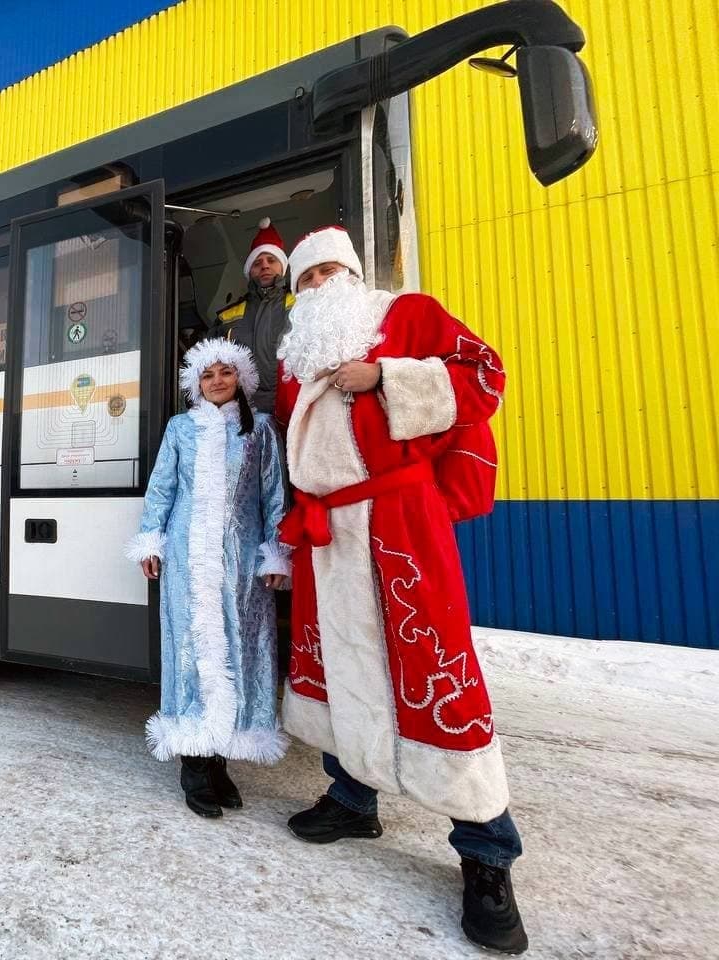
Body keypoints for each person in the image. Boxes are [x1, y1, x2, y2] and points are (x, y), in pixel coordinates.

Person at [272, 226, 528, 955]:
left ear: (353, 273)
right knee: (342, 667)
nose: (319, 285)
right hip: (330, 533)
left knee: (434, 669)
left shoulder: (408, 316)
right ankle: (353, 798)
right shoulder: (297, 359)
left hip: (399, 520)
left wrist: (387, 377)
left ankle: (487, 852)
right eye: (306, 278)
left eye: (329, 270)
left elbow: (485, 376)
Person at [125, 340, 291, 818]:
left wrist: (276, 555)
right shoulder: (180, 428)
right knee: (192, 650)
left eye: (226, 373)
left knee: (240, 650)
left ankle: (220, 759)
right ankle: (194, 765)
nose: (217, 381)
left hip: (240, 562)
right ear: (196, 384)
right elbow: (162, 486)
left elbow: (273, 495)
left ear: (241, 378)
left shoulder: (259, 430)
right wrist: (150, 540)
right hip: (186, 557)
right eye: (207, 375)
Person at [211, 216, 294, 413]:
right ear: (250, 270)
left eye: (271, 260)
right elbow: (206, 370)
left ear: (282, 266)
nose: (265, 265)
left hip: (293, 408)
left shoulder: (303, 305)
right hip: (242, 414)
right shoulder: (226, 318)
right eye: (257, 262)